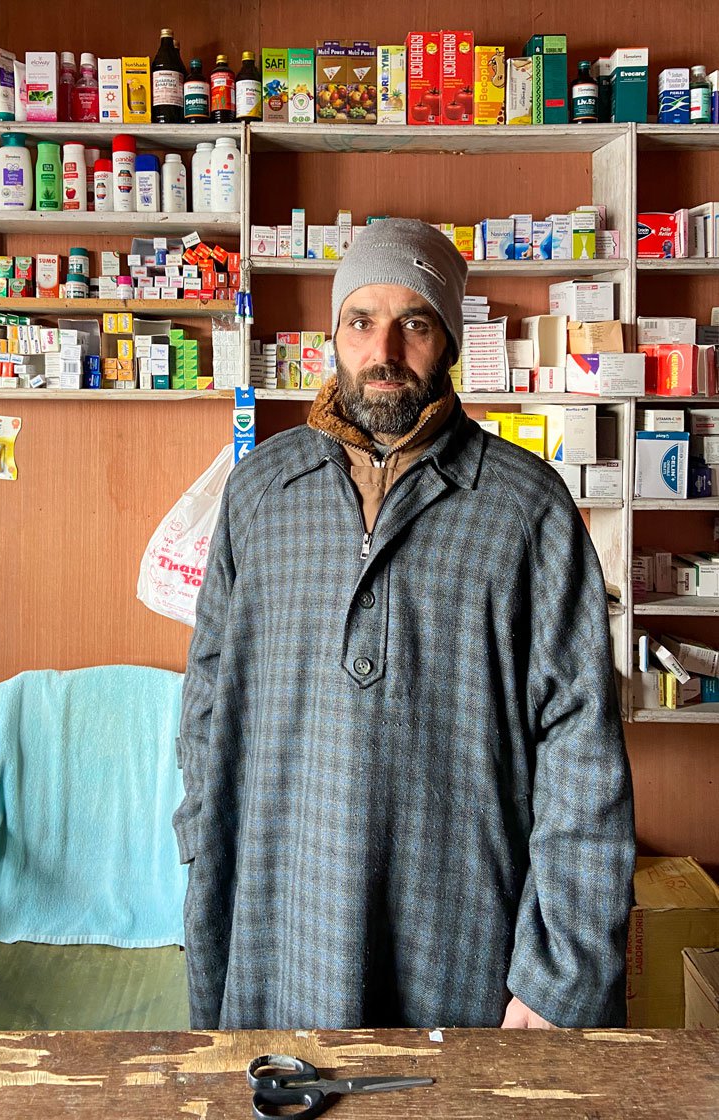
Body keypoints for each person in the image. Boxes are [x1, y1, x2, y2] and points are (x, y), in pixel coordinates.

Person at [175, 218, 635, 1031]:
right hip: (280, 904)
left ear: (450, 340)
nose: (383, 347)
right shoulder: (260, 495)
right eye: (361, 320)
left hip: (460, 927)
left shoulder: (526, 509)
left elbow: (582, 752)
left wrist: (559, 970)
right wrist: (201, 845)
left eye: (415, 321)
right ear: (333, 336)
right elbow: (208, 692)